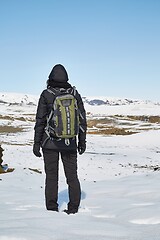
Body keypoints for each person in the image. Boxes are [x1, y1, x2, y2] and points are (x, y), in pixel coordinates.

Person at [33, 64, 87, 214]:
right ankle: (73, 208)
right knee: (72, 177)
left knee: (51, 177)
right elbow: (82, 120)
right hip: (70, 143)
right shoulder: (75, 94)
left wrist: (36, 143)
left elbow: (40, 121)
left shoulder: (46, 94)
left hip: (49, 143)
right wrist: (82, 141)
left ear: (50, 77)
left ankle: (51, 209)